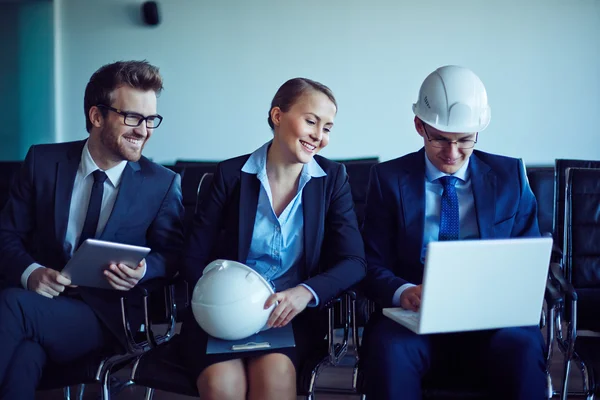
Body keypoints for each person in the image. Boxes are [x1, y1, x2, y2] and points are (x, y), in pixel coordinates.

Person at [0, 60, 184, 399]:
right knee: (25, 355)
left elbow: (173, 254)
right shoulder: (43, 162)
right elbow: (6, 235)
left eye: (150, 120)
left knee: (10, 306)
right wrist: (31, 272)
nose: (143, 130)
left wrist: (144, 271)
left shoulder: (162, 184)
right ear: (97, 116)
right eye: (132, 117)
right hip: (39, 305)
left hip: (104, 317)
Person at [360, 65, 546, 399]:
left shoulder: (510, 177)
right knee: (389, 349)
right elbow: (370, 264)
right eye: (440, 139)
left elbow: (529, 255)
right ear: (419, 126)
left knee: (522, 347)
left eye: (464, 140)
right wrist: (403, 291)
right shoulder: (388, 180)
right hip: (413, 318)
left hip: (495, 318)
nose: (452, 153)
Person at [179, 77, 366, 400]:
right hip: (221, 313)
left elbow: (354, 262)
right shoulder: (230, 175)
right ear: (277, 116)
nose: (318, 136)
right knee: (224, 385)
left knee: (274, 381)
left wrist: (304, 293)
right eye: (311, 121)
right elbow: (193, 255)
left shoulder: (333, 180)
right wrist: (219, 303)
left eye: (327, 128)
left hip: (290, 317)